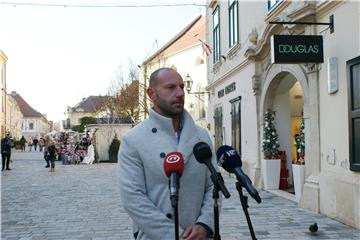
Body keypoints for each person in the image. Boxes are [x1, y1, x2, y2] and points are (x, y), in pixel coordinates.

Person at [118, 68, 216, 240]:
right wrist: (175, 235)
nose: (179, 93)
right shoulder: (133, 140)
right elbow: (133, 198)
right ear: (152, 94)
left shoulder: (201, 136)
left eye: (181, 87)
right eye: (170, 88)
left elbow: (213, 186)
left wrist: (205, 225)